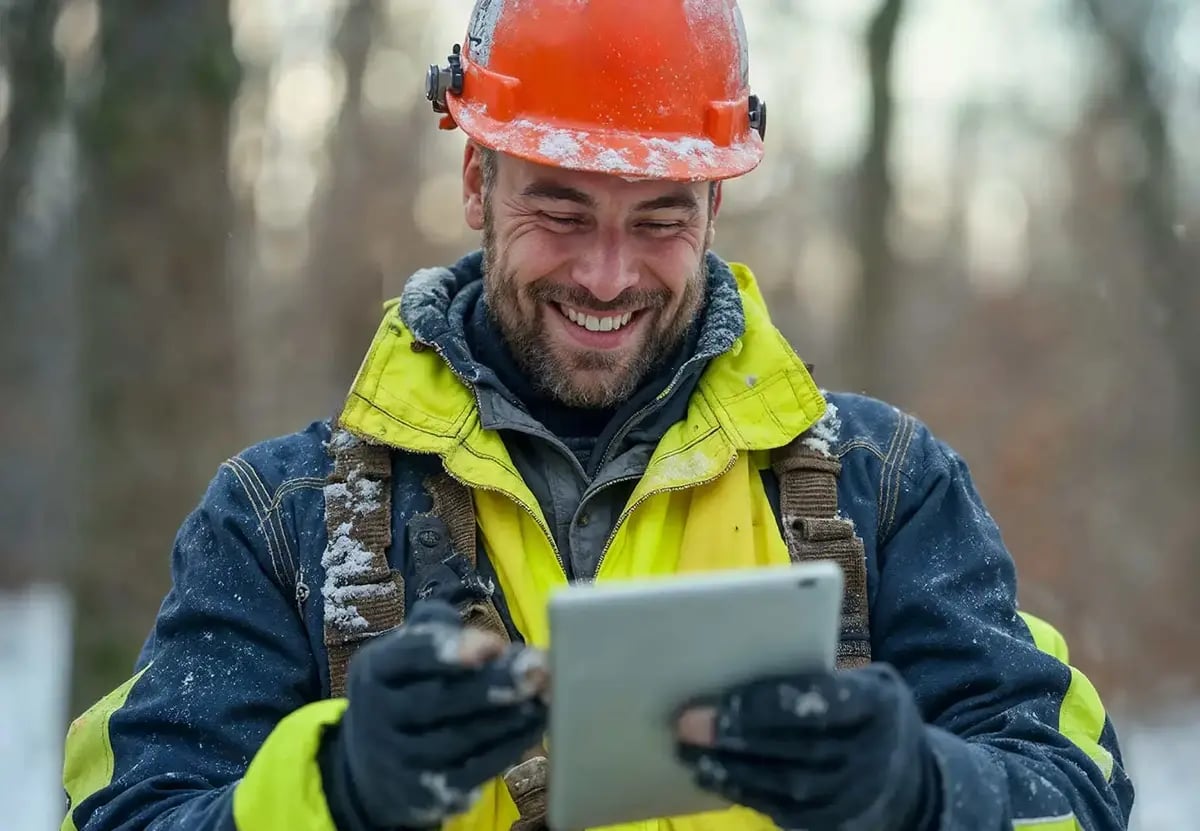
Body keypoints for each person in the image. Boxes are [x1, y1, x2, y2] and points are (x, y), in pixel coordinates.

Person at [61, 1, 1135, 830]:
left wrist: (923, 787)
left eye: (660, 219)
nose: (608, 276)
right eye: (561, 208)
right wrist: (336, 784)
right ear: (477, 179)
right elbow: (129, 812)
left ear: (713, 205)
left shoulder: (885, 489)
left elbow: (1079, 792)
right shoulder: (283, 520)